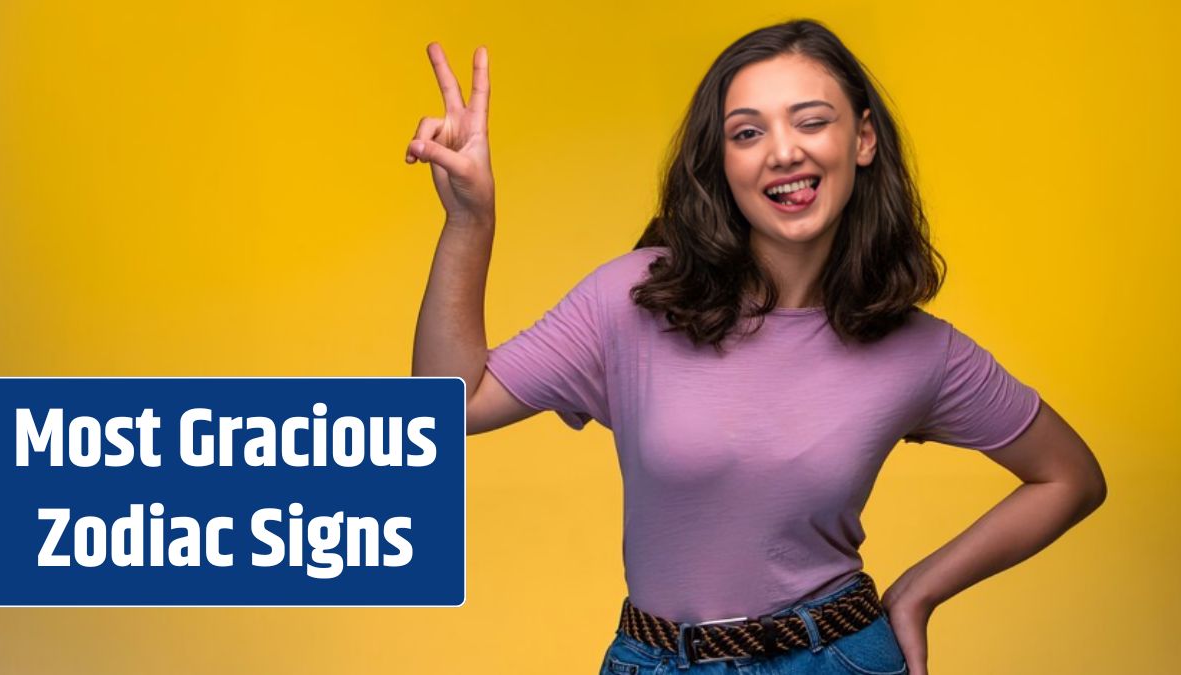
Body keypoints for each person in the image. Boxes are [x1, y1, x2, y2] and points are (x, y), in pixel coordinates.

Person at [407, 19, 1107, 675]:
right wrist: (470, 221)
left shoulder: (920, 350)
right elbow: (448, 405)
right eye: (747, 132)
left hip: (836, 654)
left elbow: (1069, 476)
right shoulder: (631, 300)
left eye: (811, 120)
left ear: (862, 140)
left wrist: (920, 590)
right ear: (723, 161)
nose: (783, 151)